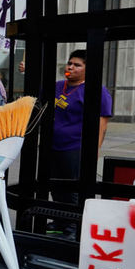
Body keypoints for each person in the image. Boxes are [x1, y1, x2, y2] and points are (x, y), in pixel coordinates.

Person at [47, 49, 113, 236]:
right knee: (55, 186)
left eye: (77, 65)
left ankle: (74, 226)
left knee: (73, 190)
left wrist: (94, 150)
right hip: (52, 145)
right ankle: (59, 221)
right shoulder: (58, 86)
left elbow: (102, 123)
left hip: (75, 148)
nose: (70, 67)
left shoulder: (97, 90)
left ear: (87, 68)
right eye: (69, 63)